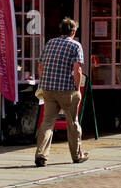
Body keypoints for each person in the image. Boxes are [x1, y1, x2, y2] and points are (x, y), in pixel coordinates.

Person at [34, 17, 89, 166]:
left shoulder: (50, 43)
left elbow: (40, 66)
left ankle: (41, 155)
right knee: (72, 123)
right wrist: (77, 89)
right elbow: (77, 69)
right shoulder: (75, 46)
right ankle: (77, 155)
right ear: (73, 31)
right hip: (66, 89)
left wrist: (44, 81)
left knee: (47, 122)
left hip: (48, 89)